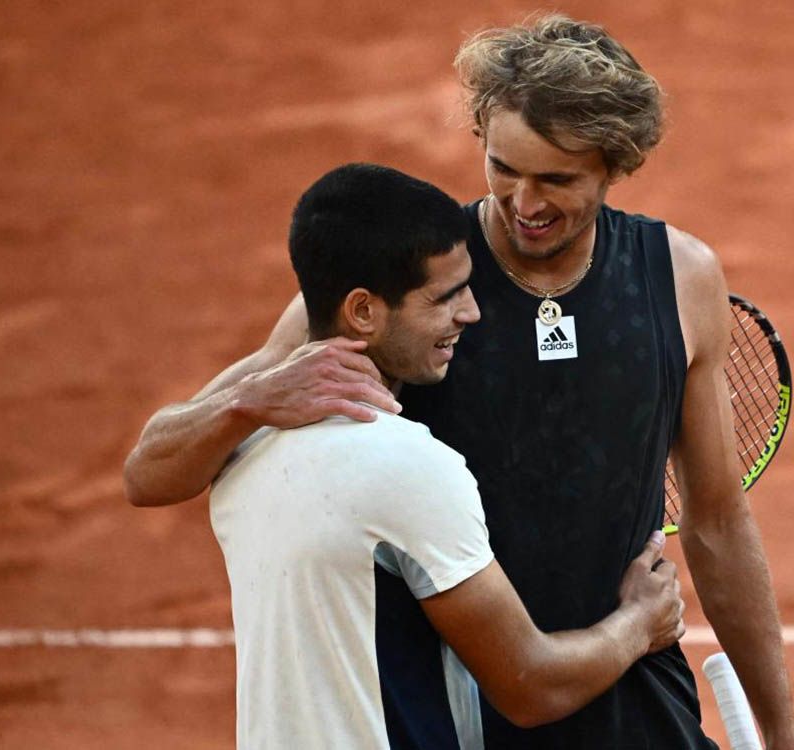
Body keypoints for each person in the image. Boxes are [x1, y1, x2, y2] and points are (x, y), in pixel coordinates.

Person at [124, 15, 794, 750]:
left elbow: (716, 523)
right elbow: (150, 472)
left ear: (616, 164)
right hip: (466, 714)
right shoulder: (409, 282)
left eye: (557, 179)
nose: (525, 202)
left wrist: (783, 735)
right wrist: (244, 400)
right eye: (503, 167)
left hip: (633, 701)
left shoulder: (679, 278)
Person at [209, 162, 685, 749]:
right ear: (363, 312)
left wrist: (239, 403)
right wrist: (639, 623)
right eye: (445, 298)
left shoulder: (241, 449)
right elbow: (530, 685)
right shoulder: (412, 469)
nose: (472, 313)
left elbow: (147, 469)